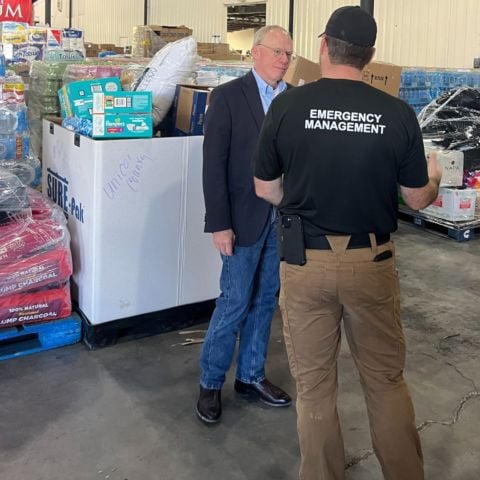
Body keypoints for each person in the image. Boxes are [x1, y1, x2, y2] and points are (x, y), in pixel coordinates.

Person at [253, 6, 442, 480]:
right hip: (370, 261)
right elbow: (418, 198)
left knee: (315, 388)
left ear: (322, 46)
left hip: (304, 262)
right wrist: (435, 177)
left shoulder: (287, 105)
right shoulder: (396, 114)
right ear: (370, 55)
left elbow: (265, 187)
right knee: (384, 381)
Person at [197, 25, 294, 424]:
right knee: (234, 301)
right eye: (277, 52)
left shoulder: (295, 101)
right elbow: (213, 164)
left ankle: (251, 377)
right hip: (241, 219)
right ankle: (210, 381)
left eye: (288, 53)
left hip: (282, 219)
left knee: (265, 300)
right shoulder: (227, 97)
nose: (284, 60)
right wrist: (219, 224)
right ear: (254, 53)